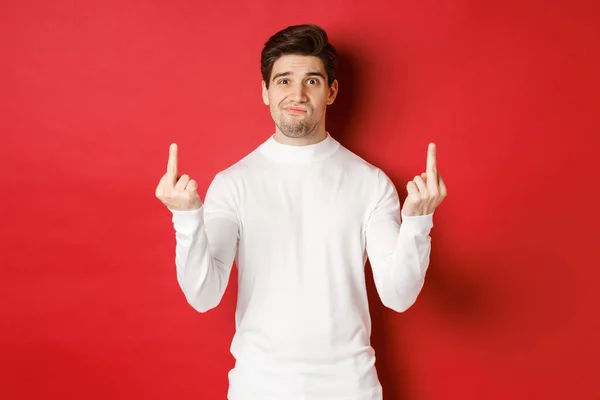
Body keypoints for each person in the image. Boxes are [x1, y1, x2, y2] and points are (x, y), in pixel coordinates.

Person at [155, 24, 447, 400]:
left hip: (350, 388)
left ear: (331, 91)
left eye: (312, 80)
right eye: (283, 81)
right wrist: (186, 218)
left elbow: (399, 295)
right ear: (265, 91)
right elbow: (203, 295)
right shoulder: (233, 183)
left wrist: (418, 222)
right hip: (257, 388)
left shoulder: (370, 183)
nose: (297, 94)